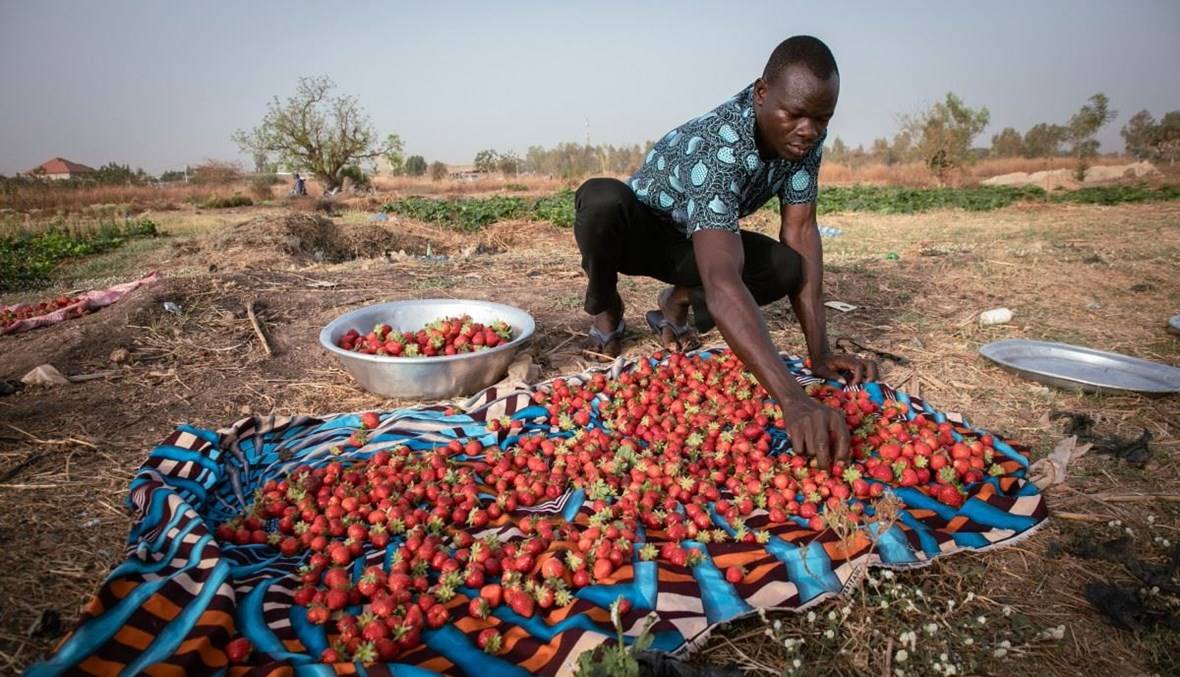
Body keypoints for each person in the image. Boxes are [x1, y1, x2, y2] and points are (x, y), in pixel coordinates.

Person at [573, 35, 878, 468]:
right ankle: (606, 305)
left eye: (821, 118)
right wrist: (793, 399)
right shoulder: (722, 143)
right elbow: (721, 280)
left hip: (697, 241)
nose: (808, 130)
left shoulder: (803, 140)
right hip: (640, 232)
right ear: (761, 93)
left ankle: (677, 298)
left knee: (787, 266)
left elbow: (802, 231)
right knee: (601, 198)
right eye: (794, 114)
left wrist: (820, 352)